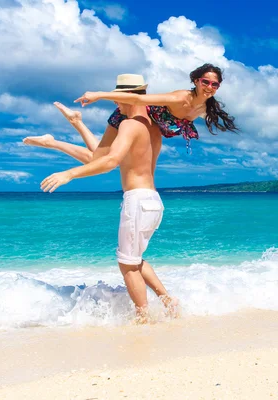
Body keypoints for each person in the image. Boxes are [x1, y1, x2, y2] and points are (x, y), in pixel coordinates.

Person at [39, 74, 178, 323]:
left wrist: (69, 174)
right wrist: (75, 127)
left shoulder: (129, 125)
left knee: (127, 265)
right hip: (152, 201)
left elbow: (109, 162)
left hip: (137, 200)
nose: (116, 104)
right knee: (135, 260)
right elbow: (101, 157)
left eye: (118, 98)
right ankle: (169, 302)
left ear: (128, 96)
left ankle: (143, 318)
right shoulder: (152, 126)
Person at [74, 63, 238, 153]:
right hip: (135, 113)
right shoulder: (179, 98)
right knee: (98, 154)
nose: (209, 87)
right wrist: (100, 95)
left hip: (149, 129)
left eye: (214, 84)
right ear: (196, 81)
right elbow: (139, 99)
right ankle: (76, 123)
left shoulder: (206, 108)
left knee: (105, 158)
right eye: (205, 82)